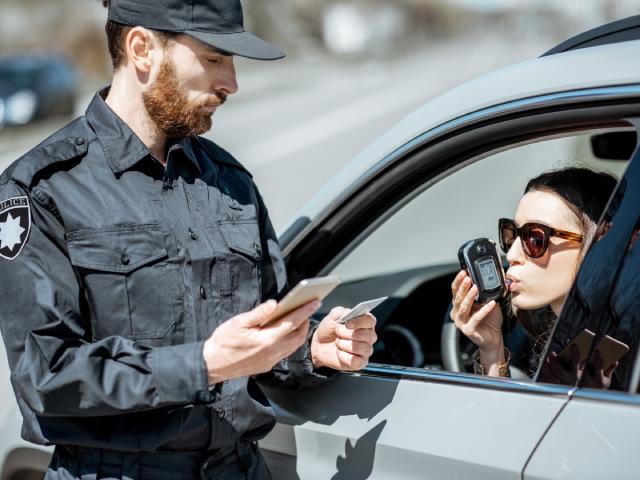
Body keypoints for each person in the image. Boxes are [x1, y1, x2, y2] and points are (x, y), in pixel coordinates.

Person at [0, 1, 378, 478]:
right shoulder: (42, 190)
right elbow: (48, 375)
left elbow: (262, 328)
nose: (232, 83)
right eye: (213, 58)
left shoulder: (229, 181)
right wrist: (202, 364)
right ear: (142, 49)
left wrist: (309, 347)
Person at [450, 167, 617, 380]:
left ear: (598, 244)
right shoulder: (555, 336)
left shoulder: (622, 353)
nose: (511, 254)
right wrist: (492, 349)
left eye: (535, 239)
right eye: (512, 235)